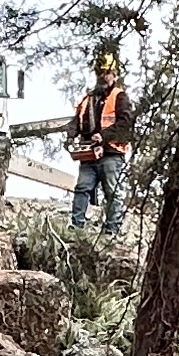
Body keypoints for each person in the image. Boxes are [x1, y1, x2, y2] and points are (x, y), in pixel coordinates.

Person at [65, 46, 133, 236]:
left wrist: (104, 136)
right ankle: (76, 226)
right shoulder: (88, 99)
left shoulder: (120, 97)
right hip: (89, 154)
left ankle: (112, 230)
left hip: (111, 152)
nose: (104, 76)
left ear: (115, 75)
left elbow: (125, 123)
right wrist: (70, 136)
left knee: (112, 191)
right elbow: (76, 121)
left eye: (108, 73)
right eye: (101, 73)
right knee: (82, 188)